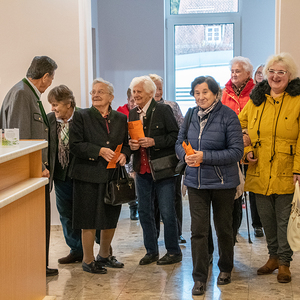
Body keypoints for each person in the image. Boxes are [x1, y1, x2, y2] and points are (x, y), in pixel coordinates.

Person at [176, 76, 243, 296]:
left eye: (205, 92)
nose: (200, 97)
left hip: (223, 182)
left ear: (215, 93)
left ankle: (225, 268)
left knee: (224, 228)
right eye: (196, 92)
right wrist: (184, 156)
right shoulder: (190, 115)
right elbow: (179, 142)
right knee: (198, 231)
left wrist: (205, 157)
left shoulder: (228, 116)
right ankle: (199, 277)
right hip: (196, 182)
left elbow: (236, 152)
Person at [239, 52, 300, 283]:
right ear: (265, 75)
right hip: (259, 169)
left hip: (287, 170)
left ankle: (284, 262)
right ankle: (272, 257)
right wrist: (247, 149)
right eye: (271, 72)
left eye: (281, 72)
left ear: (290, 76)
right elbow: (240, 125)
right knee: (266, 219)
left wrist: (298, 169)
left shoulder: (298, 100)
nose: (275, 76)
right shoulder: (257, 100)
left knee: (284, 220)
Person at [0, 56, 58, 277]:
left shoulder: (27, 93)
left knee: (38, 223)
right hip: (32, 174)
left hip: (35, 174)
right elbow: (18, 137)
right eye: (51, 77)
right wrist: (34, 167)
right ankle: (34, 266)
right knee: (33, 225)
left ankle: (38, 264)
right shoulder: (22, 94)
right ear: (45, 77)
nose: (51, 82)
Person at [69, 78, 130, 274]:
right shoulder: (81, 116)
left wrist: (124, 155)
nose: (95, 94)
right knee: (87, 218)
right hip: (86, 176)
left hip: (112, 176)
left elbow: (127, 144)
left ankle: (104, 255)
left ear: (111, 97)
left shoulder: (120, 118)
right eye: (93, 92)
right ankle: (88, 260)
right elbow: (75, 145)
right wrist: (99, 151)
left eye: (100, 91)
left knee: (110, 217)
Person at [129, 75, 182, 265]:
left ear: (150, 92)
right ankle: (151, 251)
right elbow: (131, 139)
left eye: (139, 92)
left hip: (162, 170)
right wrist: (131, 146)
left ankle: (173, 251)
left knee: (167, 212)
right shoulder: (133, 113)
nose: (135, 96)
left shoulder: (163, 110)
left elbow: (176, 136)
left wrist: (154, 142)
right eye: (134, 92)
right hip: (141, 170)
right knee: (144, 212)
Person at [222, 56, 264, 239]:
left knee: (253, 187)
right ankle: (234, 226)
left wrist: (247, 135)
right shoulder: (225, 91)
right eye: (232, 71)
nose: (234, 74)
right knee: (235, 188)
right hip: (230, 144)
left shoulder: (257, 92)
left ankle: (257, 224)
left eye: (238, 71)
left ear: (248, 73)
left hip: (251, 144)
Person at [47, 85, 83, 264]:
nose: (53, 108)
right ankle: (76, 249)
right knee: (66, 214)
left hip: (82, 175)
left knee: (85, 212)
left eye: (56, 104)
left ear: (68, 103)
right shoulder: (49, 120)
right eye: (52, 105)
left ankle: (98, 248)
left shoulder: (84, 117)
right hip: (61, 176)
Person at [149, 74, 186, 244]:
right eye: (154, 87)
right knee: (153, 201)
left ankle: (177, 233)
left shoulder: (172, 106)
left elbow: (181, 130)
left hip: (170, 159)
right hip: (150, 162)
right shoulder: (141, 109)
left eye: (160, 88)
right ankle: (154, 234)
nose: (157, 91)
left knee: (174, 197)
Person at [117, 88, 139, 221]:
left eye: (136, 100)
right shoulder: (121, 113)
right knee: (130, 180)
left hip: (140, 149)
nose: (134, 103)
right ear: (127, 100)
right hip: (127, 149)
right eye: (132, 100)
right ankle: (133, 206)